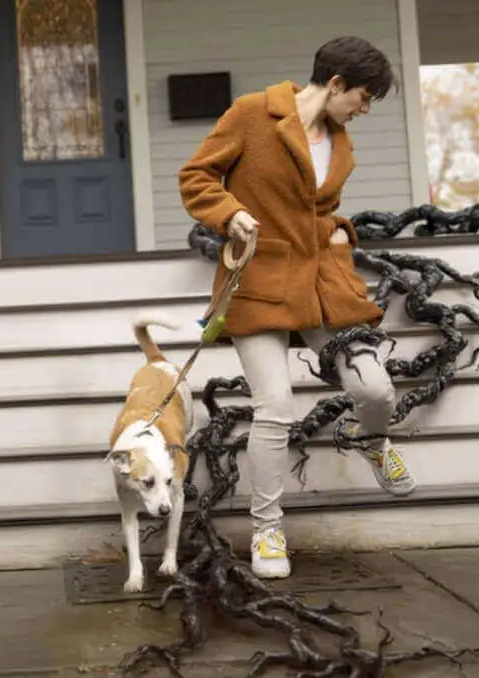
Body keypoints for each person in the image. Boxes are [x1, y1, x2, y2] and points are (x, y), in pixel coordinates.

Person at [177, 36, 415, 580]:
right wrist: (229, 212)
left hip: (321, 280)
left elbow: (321, 209)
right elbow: (196, 177)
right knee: (275, 407)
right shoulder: (252, 114)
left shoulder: (342, 145)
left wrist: (337, 232)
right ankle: (267, 530)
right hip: (259, 279)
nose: (365, 107)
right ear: (335, 84)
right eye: (363, 95)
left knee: (373, 388)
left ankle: (370, 438)